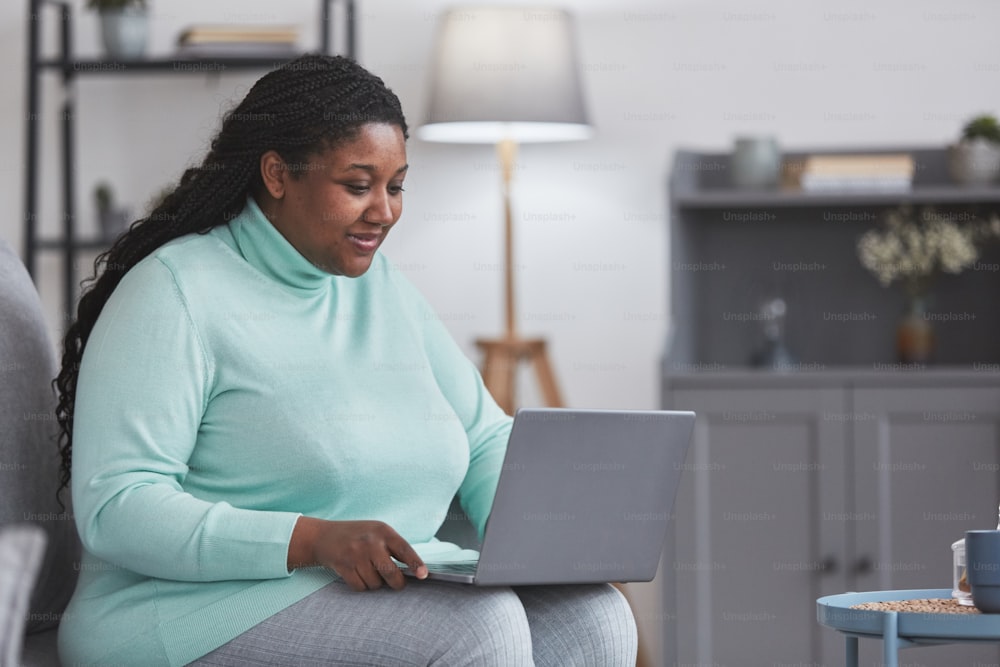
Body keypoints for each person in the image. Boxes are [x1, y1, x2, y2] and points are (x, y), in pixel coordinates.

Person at [53, 54, 637, 666]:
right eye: (358, 186)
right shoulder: (173, 292)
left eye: (396, 185)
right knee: (478, 629)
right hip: (185, 613)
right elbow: (119, 507)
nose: (383, 211)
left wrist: (530, 542)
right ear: (277, 174)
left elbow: (484, 434)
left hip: (366, 587)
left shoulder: (378, 286)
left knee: (591, 617)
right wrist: (310, 540)